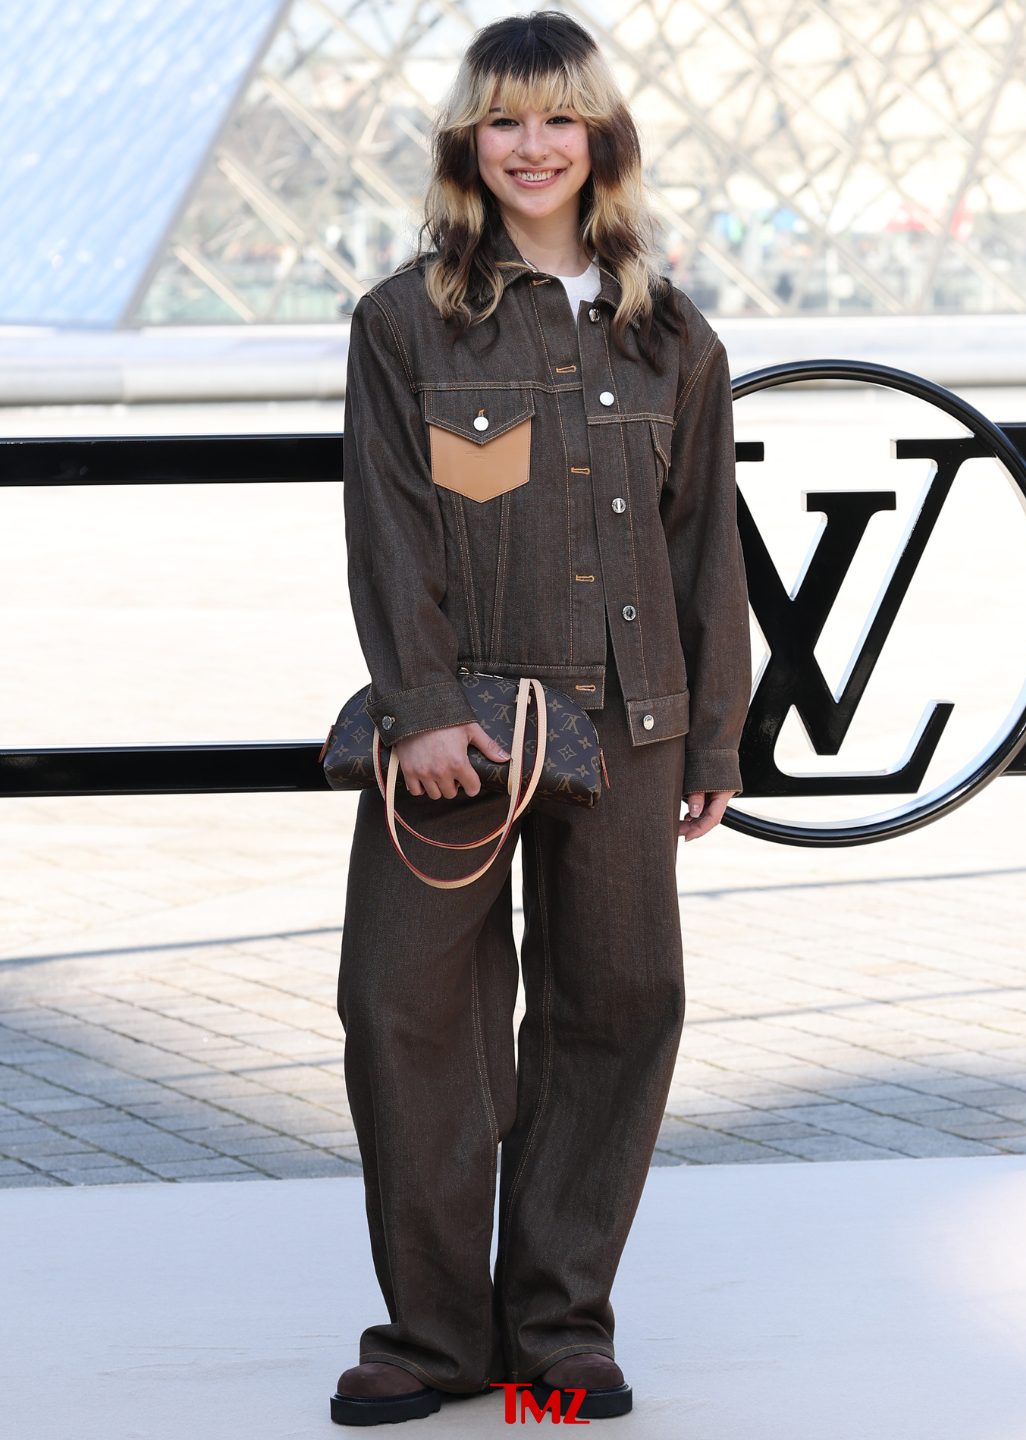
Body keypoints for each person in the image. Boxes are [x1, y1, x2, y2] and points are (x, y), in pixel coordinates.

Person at [331, 9, 751, 1427]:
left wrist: (712, 744)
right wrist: (425, 709)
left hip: (631, 729)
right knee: (406, 1009)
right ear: (469, 141)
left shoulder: (674, 333)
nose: (531, 145)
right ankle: (435, 1338)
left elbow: (708, 557)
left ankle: (560, 1328)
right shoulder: (405, 322)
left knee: (617, 1011)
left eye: (558, 118)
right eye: (504, 119)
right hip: (465, 729)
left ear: (600, 138)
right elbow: (388, 532)